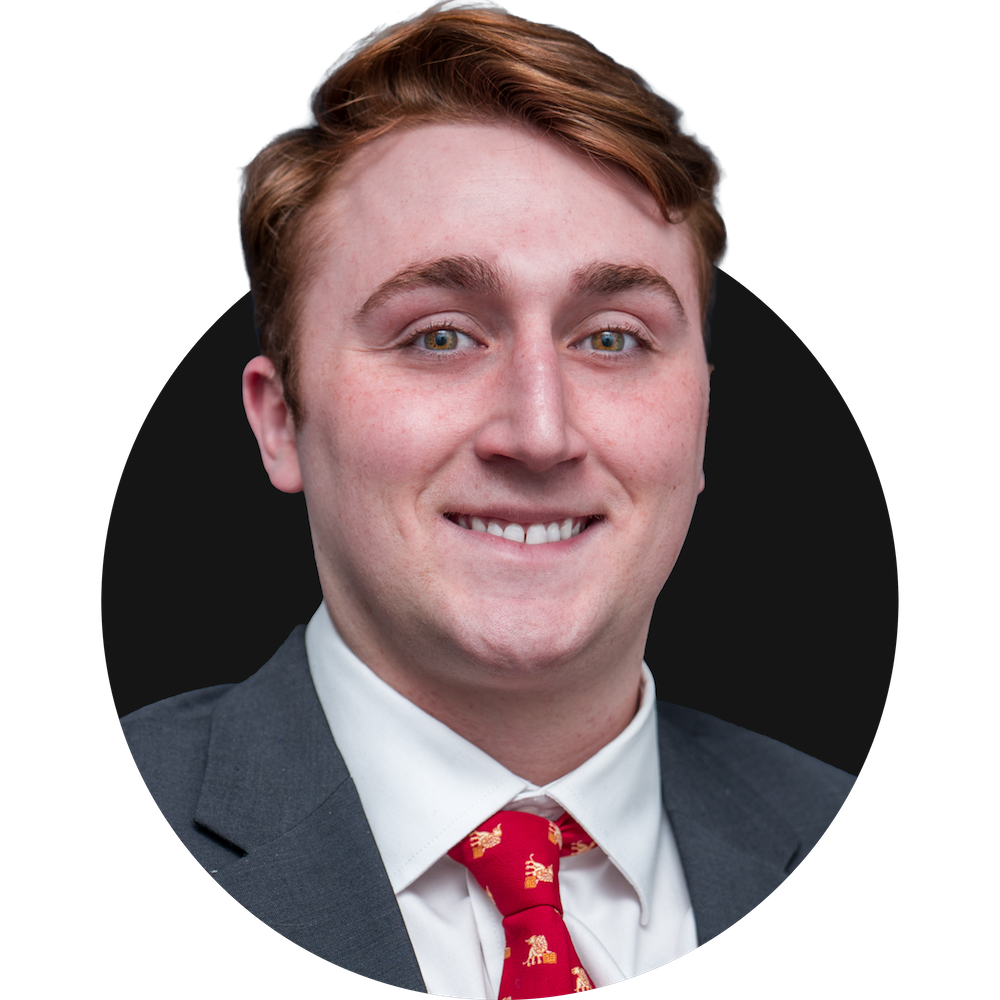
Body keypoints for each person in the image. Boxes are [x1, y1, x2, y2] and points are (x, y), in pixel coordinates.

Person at [120, 3, 857, 995]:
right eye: (439, 336)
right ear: (282, 420)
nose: (540, 433)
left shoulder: (818, 815)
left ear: (702, 419)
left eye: (612, 338)